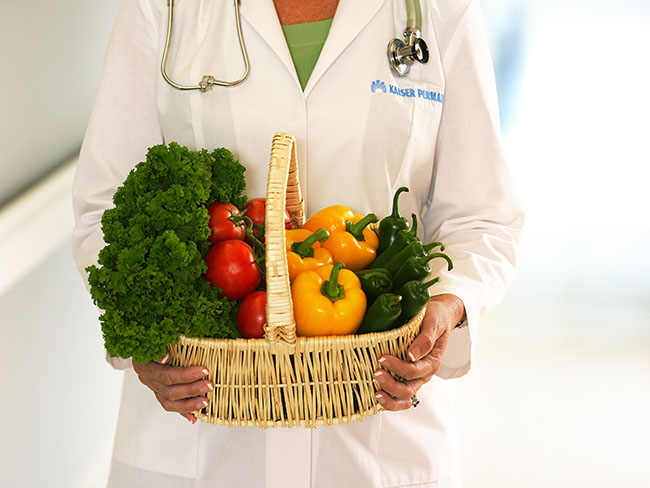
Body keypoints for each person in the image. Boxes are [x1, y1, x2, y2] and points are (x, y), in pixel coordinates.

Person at [72, 0, 524, 486]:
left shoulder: (440, 10)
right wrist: (148, 340)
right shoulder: (161, 8)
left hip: (378, 437)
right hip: (198, 441)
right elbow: (106, 208)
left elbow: (480, 216)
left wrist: (451, 303)